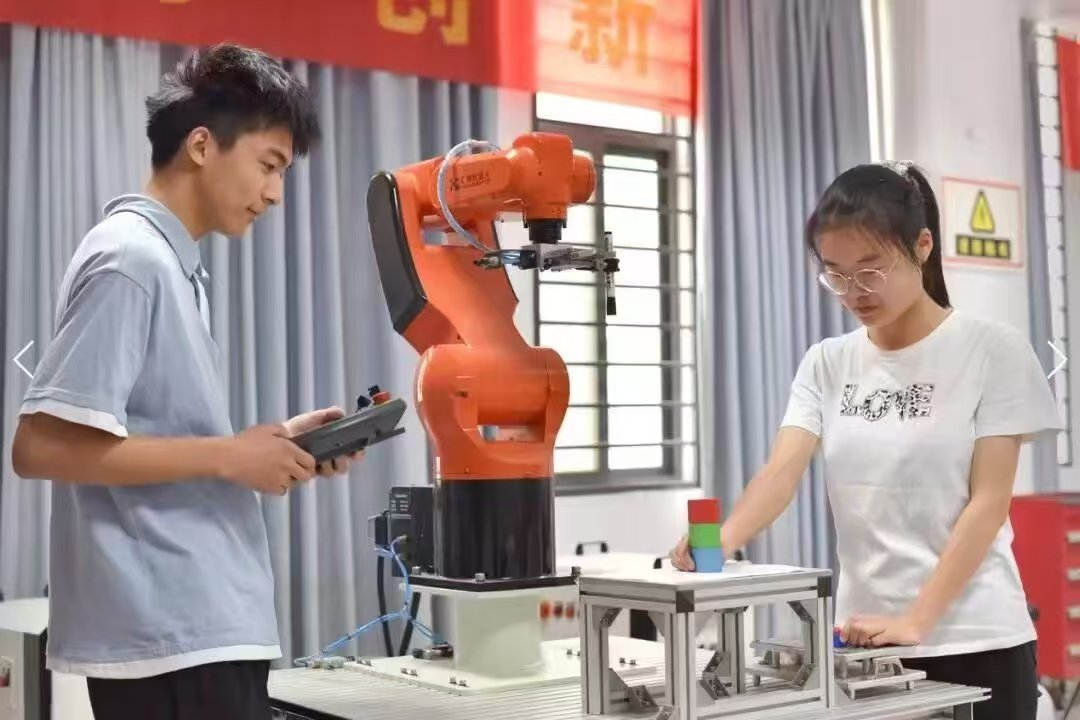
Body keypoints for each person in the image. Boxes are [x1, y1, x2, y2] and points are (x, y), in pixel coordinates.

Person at [11, 44, 359, 720]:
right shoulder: (132, 259)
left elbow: (154, 435)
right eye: (269, 165)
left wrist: (275, 447)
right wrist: (229, 456)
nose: (275, 194)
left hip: (194, 629)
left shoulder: (172, 266)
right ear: (202, 146)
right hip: (174, 636)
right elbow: (40, 447)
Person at [670, 161, 1060, 719]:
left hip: (976, 640)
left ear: (922, 246)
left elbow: (988, 503)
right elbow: (782, 472)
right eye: (836, 275)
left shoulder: (992, 350)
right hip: (865, 649)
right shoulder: (827, 362)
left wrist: (917, 619)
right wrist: (720, 542)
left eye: (871, 270)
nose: (855, 292)